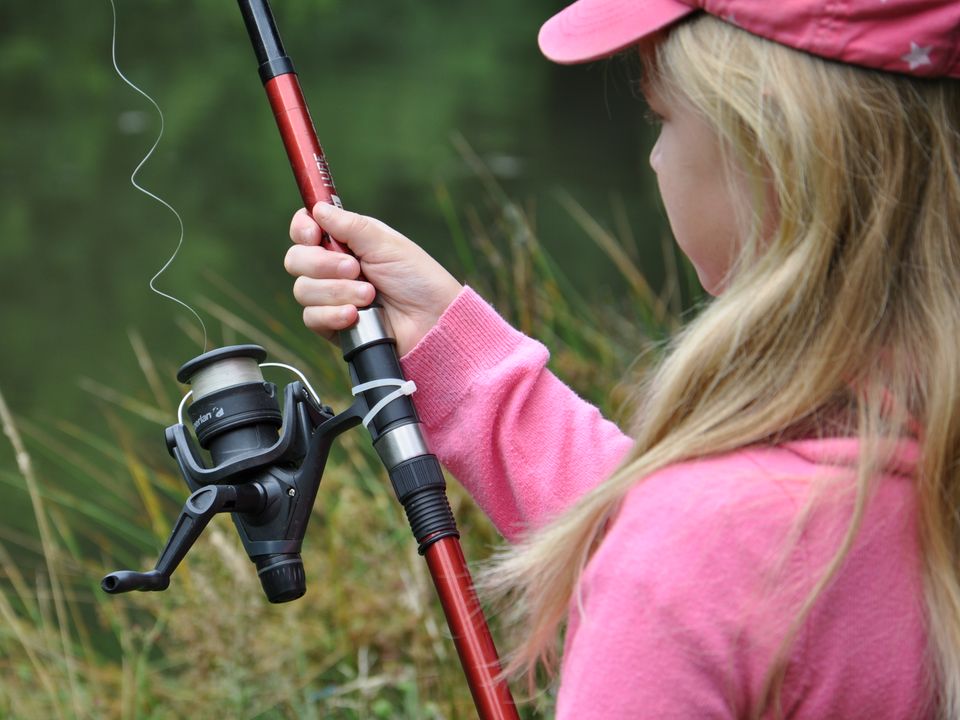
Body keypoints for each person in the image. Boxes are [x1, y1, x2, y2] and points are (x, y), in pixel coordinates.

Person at [283, 1, 960, 717]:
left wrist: (670, 547)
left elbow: (698, 568)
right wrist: (449, 350)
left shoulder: (694, 556)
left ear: (765, 149)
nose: (655, 157)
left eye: (661, 117)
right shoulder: (909, 454)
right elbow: (729, 565)